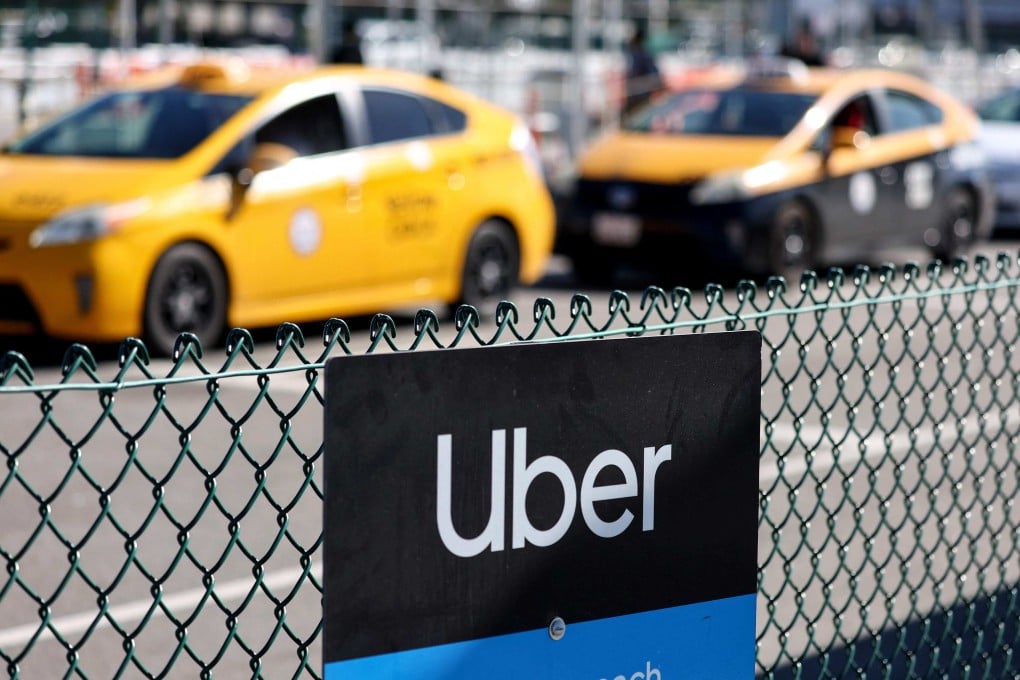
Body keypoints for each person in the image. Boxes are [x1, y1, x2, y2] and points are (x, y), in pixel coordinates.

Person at [624, 27, 662, 115]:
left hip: (639, 92)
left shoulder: (639, 54)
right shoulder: (639, 53)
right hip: (636, 92)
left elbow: (652, 72)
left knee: (638, 114)